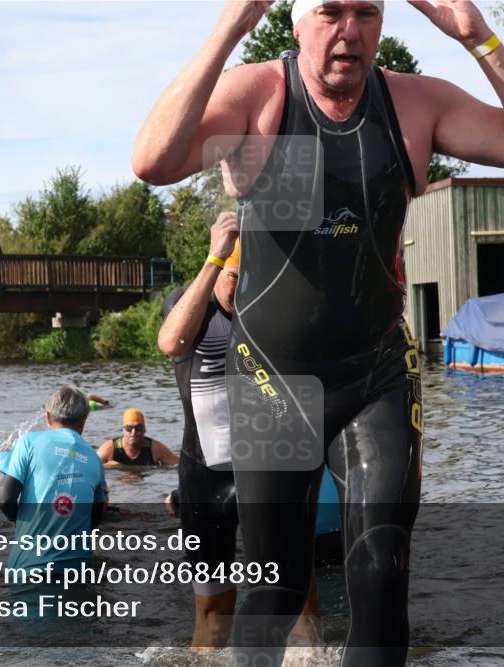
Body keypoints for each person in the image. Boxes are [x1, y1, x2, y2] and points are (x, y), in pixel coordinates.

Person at [132, 2, 504, 665]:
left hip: (377, 374)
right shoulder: (260, 96)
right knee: (275, 589)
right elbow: (154, 161)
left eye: (367, 12)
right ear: (294, 23)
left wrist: (474, 35)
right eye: (330, 11)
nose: (350, 30)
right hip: (272, 379)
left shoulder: (413, 103)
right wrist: (229, 26)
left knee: (381, 582)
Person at [158, 216, 324, 652]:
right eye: (234, 277)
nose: (241, 288)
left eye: (251, 278)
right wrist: (216, 257)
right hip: (205, 478)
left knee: (298, 593)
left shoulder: (268, 311)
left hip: (269, 472)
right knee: (214, 612)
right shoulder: (189, 303)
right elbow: (172, 343)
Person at [0, 385, 108, 573]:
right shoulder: (95, 459)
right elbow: (95, 516)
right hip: (78, 570)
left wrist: (21, 520)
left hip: (29, 568)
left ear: (48, 417)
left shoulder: (28, 442)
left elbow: (5, 498)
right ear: (84, 420)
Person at [96, 409, 178, 467]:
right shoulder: (110, 449)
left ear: (144, 430)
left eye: (138, 428)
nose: (133, 432)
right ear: (123, 430)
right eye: (129, 428)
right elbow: (90, 466)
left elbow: (179, 465)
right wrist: (106, 467)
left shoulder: (155, 449)